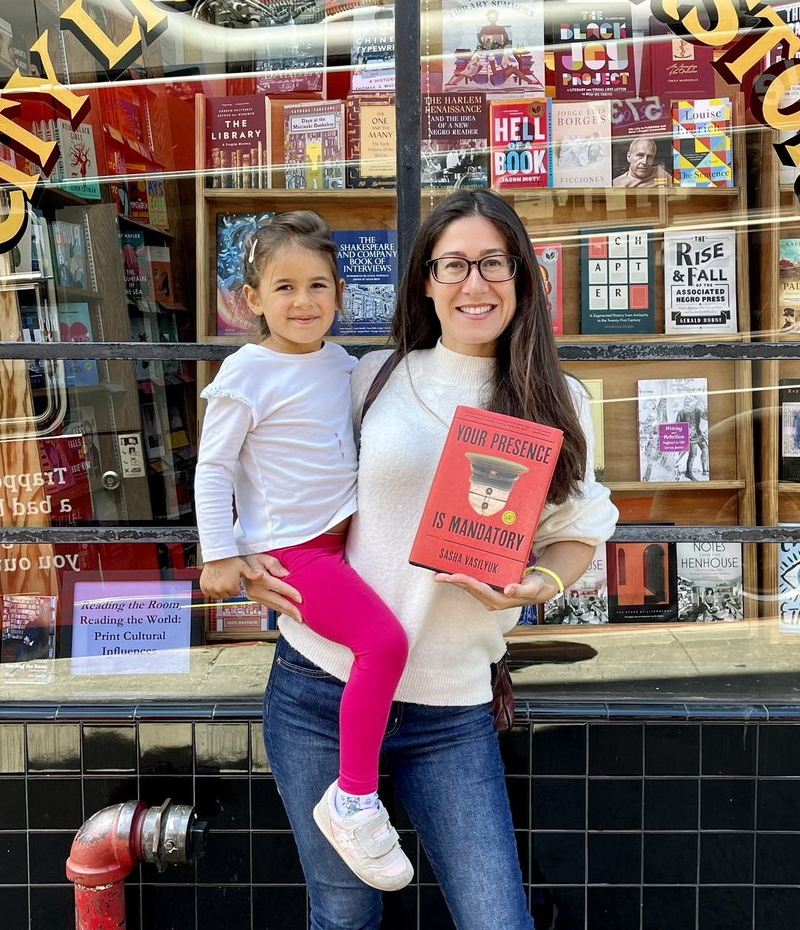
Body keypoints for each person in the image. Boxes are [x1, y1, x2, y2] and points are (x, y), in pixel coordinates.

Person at [243, 189, 618, 928]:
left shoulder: (554, 399)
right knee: (344, 915)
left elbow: (580, 528)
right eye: (452, 265)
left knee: (495, 919)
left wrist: (535, 584)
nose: (473, 285)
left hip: (451, 710)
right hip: (323, 686)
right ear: (424, 280)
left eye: (492, 264)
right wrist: (254, 549)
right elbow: (283, 471)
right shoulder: (372, 377)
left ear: (522, 276)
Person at [195, 211, 413, 892]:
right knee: (384, 646)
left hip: (344, 540)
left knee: (378, 646)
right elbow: (212, 469)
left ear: (340, 294)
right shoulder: (244, 373)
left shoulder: (343, 365)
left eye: (318, 285)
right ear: (251, 300)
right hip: (294, 555)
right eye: (283, 287)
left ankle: (355, 787)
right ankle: (351, 798)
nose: (303, 301)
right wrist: (220, 555)